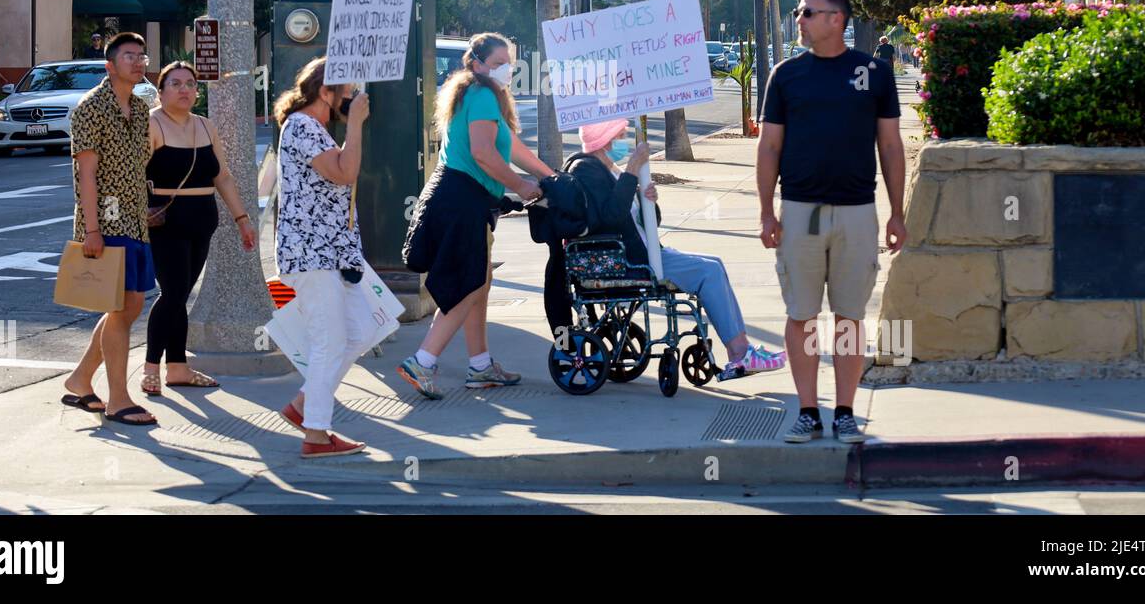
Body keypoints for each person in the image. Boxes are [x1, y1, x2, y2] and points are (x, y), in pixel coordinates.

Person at [757, 0, 906, 444]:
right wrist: (766, 212)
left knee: (848, 317)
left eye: (807, 12)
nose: (798, 19)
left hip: (858, 212)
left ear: (836, 19)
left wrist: (896, 212)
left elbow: (890, 146)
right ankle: (807, 411)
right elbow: (770, 147)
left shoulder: (874, 73)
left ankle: (845, 411)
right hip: (800, 211)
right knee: (801, 315)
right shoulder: (785, 75)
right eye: (800, 12)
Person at [565, 119, 785, 379]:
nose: (624, 141)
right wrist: (632, 171)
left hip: (644, 251)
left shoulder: (610, 169)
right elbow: (611, 216)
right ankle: (738, 353)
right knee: (709, 272)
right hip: (630, 260)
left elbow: (642, 220)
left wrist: (647, 201)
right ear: (605, 140)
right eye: (620, 135)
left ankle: (742, 349)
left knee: (714, 264)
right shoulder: (586, 170)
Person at [399, 32, 551, 400]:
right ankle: (422, 361)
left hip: (462, 199)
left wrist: (550, 177)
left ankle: (480, 366)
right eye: (498, 63)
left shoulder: (481, 95)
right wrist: (522, 185)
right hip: (463, 201)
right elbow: (484, 154)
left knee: (479, 283)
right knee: (466, 285)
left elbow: (512, 148)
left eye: (509, 63)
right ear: (477, 64)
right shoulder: (482, 94)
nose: (506, 70)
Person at [273, 57, 372, 458]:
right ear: (324, 91)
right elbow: (345, 173)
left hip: (330, 252)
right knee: (329, 342)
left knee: (361, 331)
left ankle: (303, 407)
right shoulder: (301, 126)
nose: (348, 98)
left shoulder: (314, 129)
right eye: (344, 92)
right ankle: (316, 433)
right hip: (310, 254)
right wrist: (356, 124)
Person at [140, 61, 257, 396]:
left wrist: (242, 219)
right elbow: (135, 176)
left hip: (203, 218)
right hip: (166, 220)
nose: (184, 90)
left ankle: (177, 367)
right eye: (174, 84)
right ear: (160, 91)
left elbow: (221, 176)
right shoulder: (152, 124)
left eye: (190, 84)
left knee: (181, 295)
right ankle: (151, 367)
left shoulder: (206, 126)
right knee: (173, 292)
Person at [62, 32, 158, 426]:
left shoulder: (138, 107)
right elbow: (86, 174)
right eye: (129, 56)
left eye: (141, 56)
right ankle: (118, 398)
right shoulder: (90, 108)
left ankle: (81, 378)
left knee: (131, 305)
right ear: (110, 64)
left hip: (136, 221)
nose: (138, 62)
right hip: (105, 221)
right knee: (120, 306)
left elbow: (140, 167)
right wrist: (92, 230)